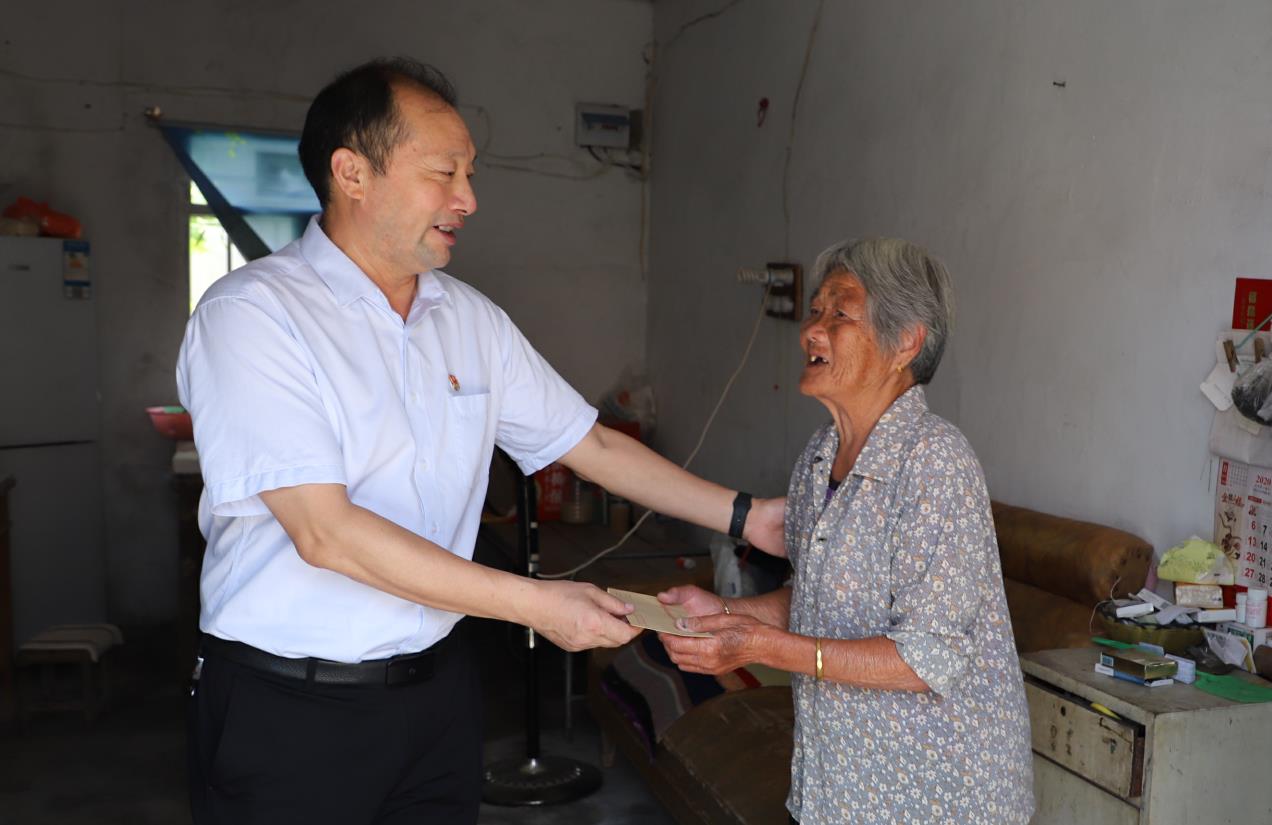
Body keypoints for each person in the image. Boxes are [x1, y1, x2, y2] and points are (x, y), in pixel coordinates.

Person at [176, 57, 784, 825]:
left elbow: (588, 446)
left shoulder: (469, 320)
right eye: (444, 172)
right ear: (351, 172)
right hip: (290, 707)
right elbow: (326, 533)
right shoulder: (253, 316)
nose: (467, 198)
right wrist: (535, 604)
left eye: (469, 173)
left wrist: (749, 515)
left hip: (436, 698)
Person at [659, 237, 1034, 824]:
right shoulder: (819, 457)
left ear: (905, 342)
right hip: (838, 789)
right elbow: (816, 601)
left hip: (935, 796)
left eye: (840, 313)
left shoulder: (935, 462)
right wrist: (727, 614)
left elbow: (924, 658)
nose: (812, 330)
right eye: (815, 310)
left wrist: (758, 646)